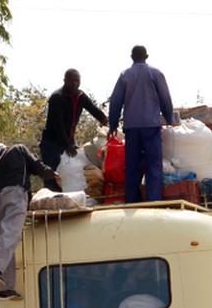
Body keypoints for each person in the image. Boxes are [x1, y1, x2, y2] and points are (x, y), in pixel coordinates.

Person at [0, 143, 58, 300]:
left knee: (6, 236)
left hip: (1, 198)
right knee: (13, 234)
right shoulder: (18, 149)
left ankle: (6, 287)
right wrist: (52, 173)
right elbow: (37, 166)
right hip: (16, 194)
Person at [108, 45, 176, 203]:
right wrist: (169, 118)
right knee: (153, 165)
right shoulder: (155, 73)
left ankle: (131, 201)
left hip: (131, 128)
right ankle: (154, 201)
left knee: (132, 166)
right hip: (151, 127)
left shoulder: (125, 75)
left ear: (131, 57)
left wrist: (113, 125)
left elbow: (116, 101)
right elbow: (166, 99)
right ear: (147, 56)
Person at [40, 69, 108, 191]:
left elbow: (93, 110)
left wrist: (106, 121)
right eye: (72, 81)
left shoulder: (80, 96)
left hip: (68, 142)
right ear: (65, 81)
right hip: (52, 145)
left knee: (71, 171)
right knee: (51, 176)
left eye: (77, 81)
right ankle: (52, 203)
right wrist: (68, 145)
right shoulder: (57, 97)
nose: (75, 83)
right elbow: (58, 125)